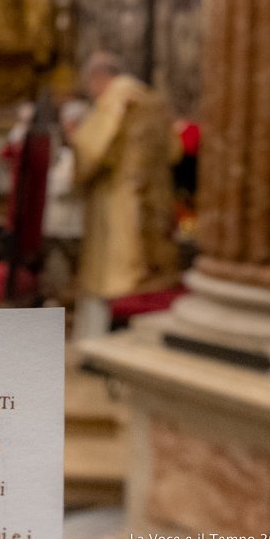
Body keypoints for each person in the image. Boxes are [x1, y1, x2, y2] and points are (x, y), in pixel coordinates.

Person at [70, 52, 181, 340]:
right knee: (147, 278)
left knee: (114, 277)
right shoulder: (154, 100)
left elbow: (91, 151)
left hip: (117, 201)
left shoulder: (115, 101)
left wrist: (75, 146)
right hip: (154, 201)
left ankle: (103, 344)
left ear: (98, 79)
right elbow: (175, 151)